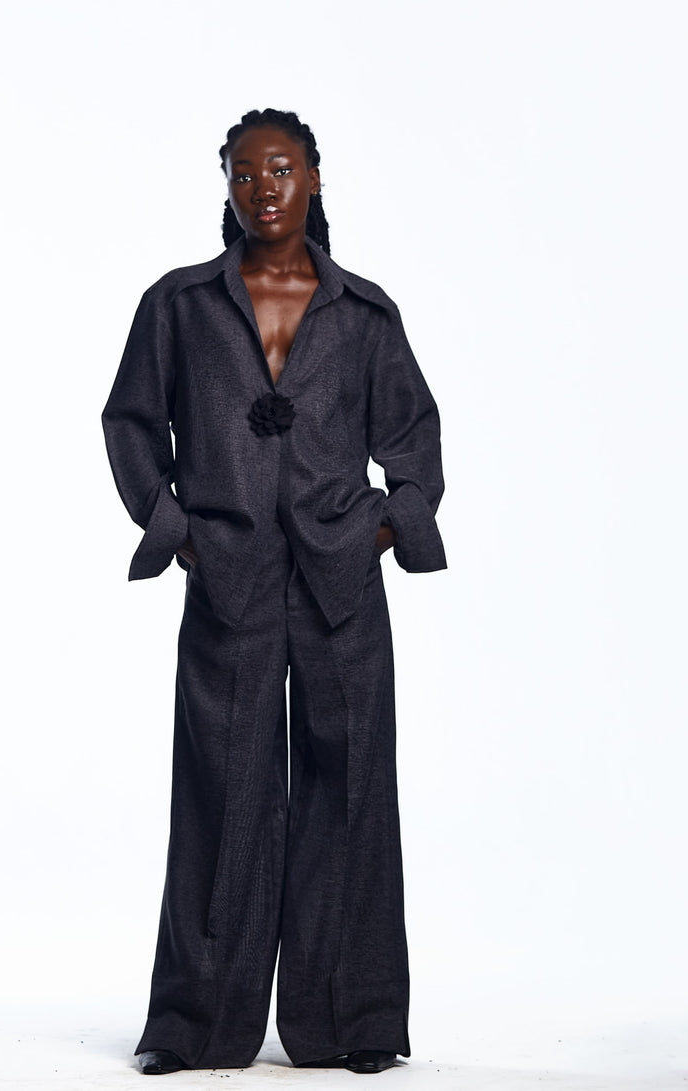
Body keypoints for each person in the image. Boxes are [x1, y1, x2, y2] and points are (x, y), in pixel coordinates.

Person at [101, 108, 446, 1076]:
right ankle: (195, 1022)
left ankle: (354, 1019)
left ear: (315, 180)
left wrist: (385, 528)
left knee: (351, 793)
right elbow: (131, 423)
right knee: (220, 791)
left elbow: (415, 437)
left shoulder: (364, 313)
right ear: (225, 184)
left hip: (342, 588)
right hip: (229, 583)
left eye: (281, 169)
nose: (263, 188)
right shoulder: (178, 306)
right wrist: (178, 533)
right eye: (244, 172)